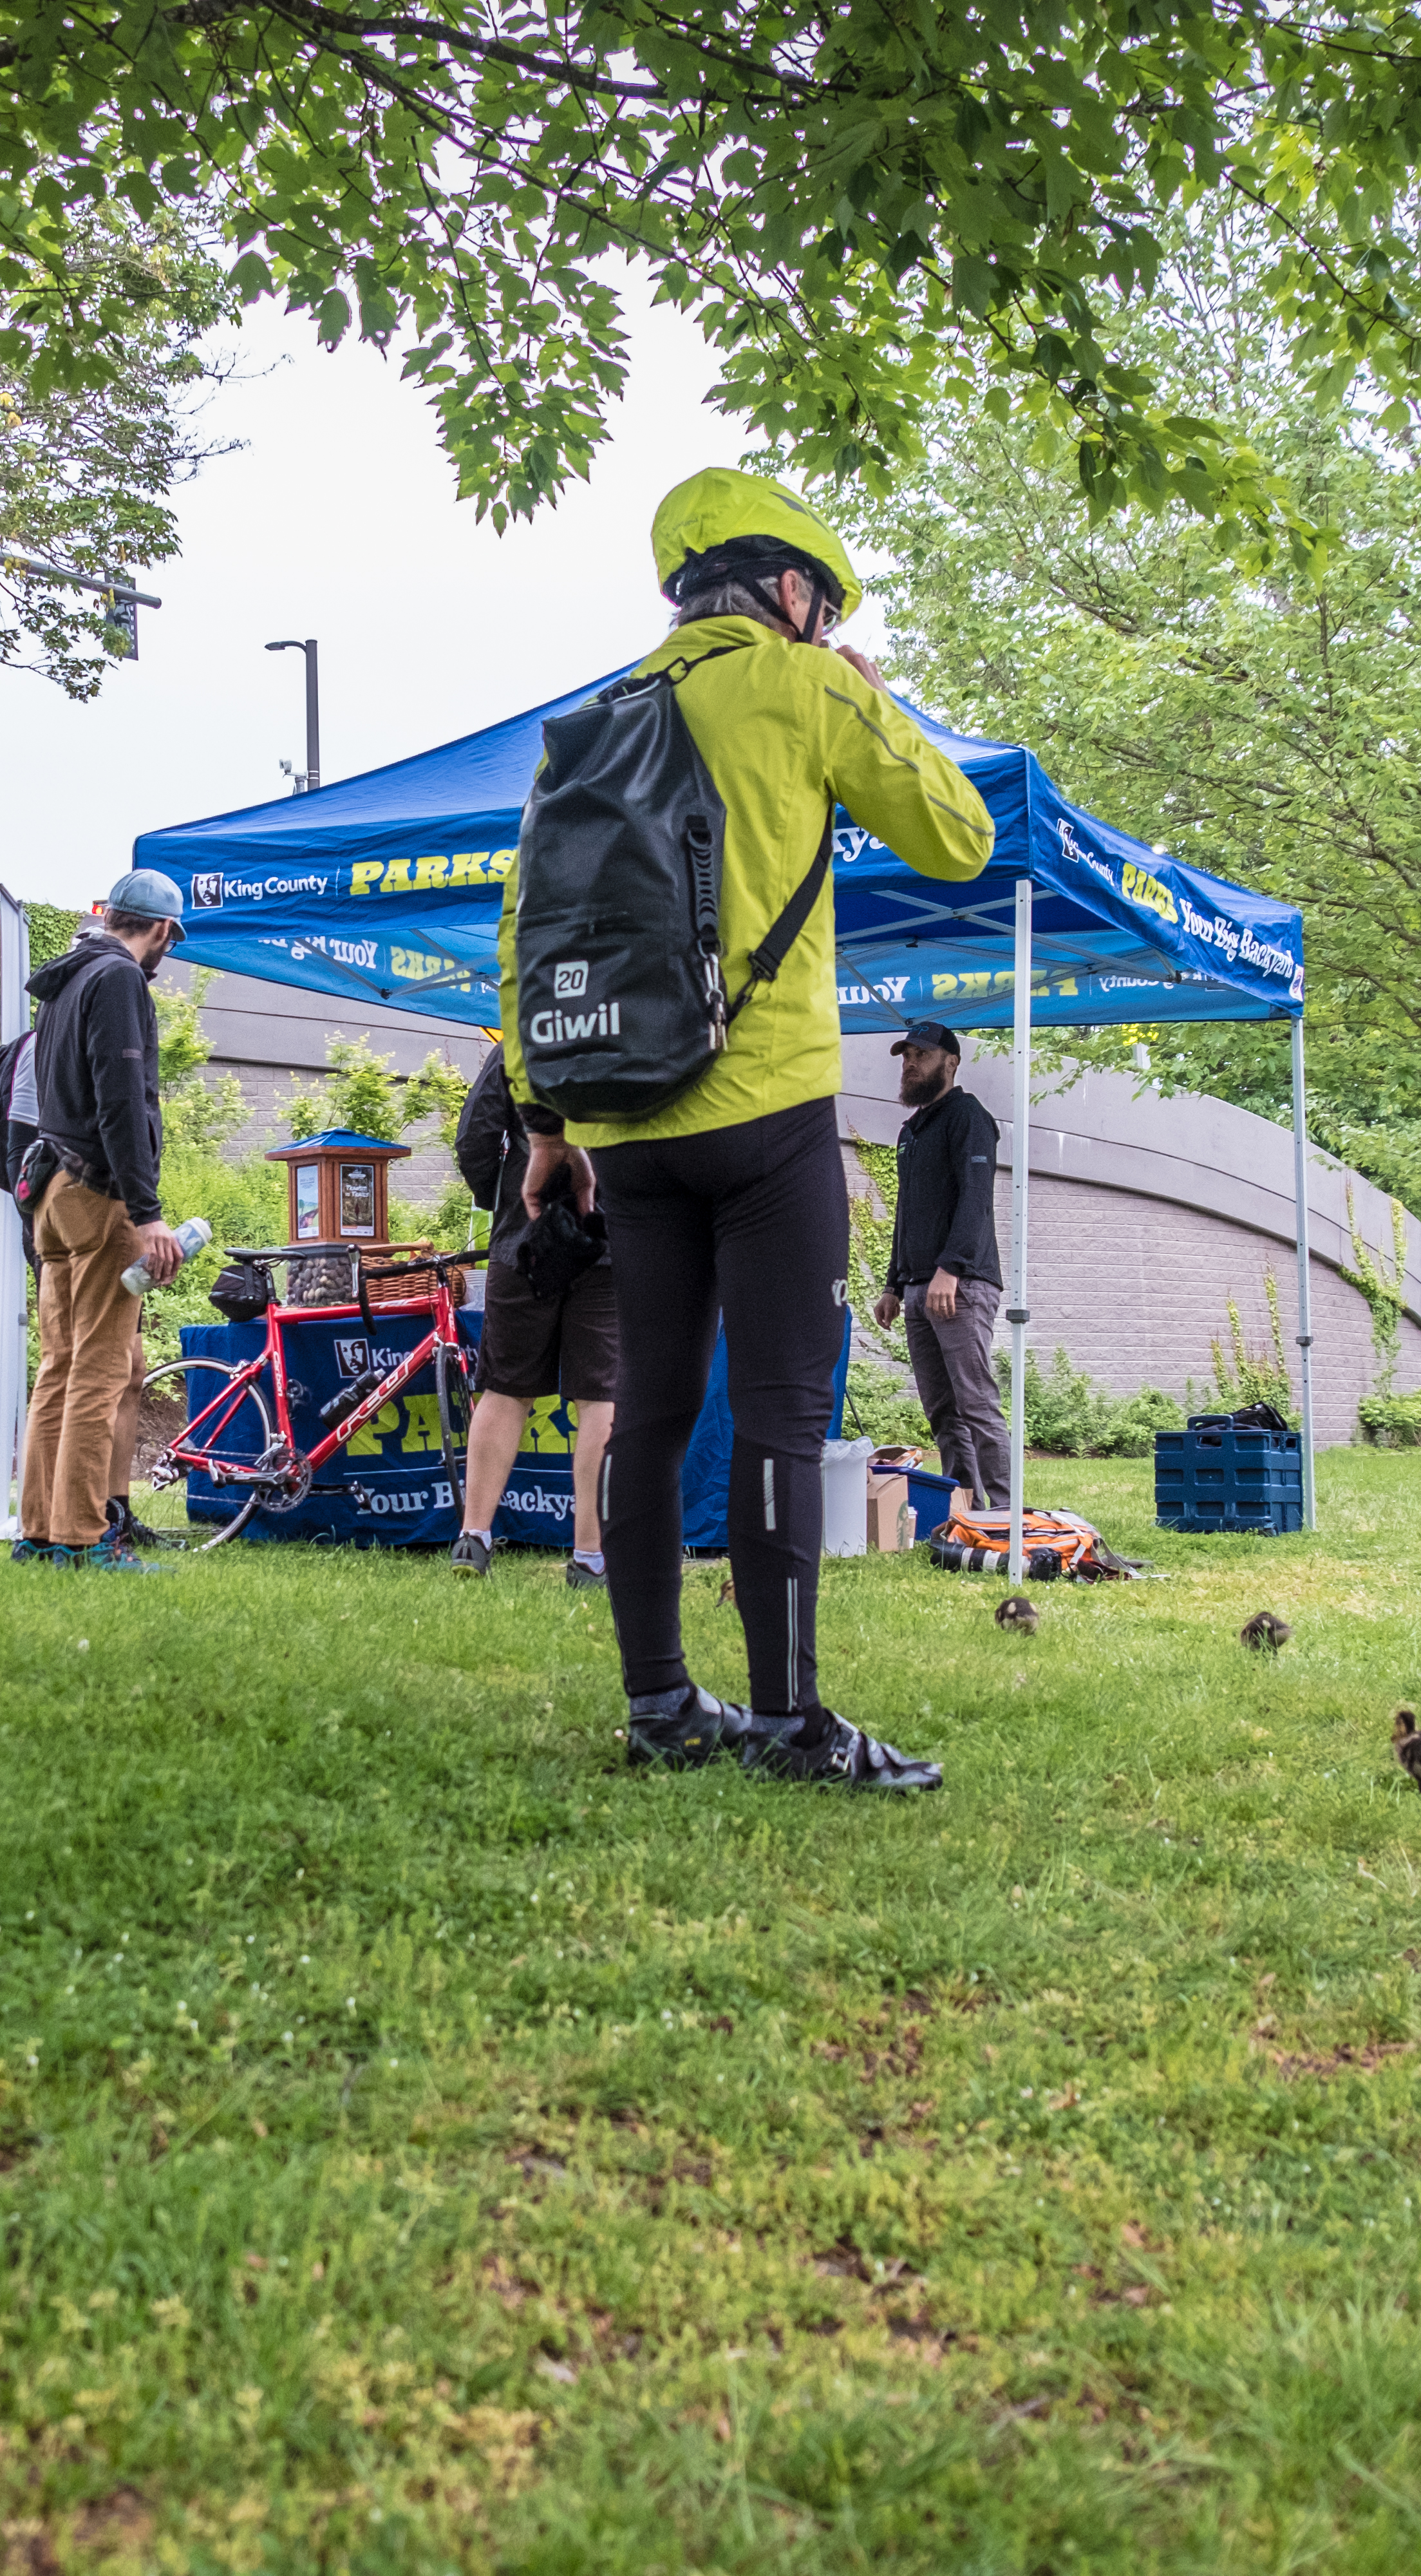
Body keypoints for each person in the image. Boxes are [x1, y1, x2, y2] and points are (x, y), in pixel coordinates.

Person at [503, 467, 997, 1790]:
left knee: (650, 1410)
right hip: (765, 1108)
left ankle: (661, 1702)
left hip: (625, 1128)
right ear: (792, 591)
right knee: (781, 1409)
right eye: (822, 607)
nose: (825, 625)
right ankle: (790, 1722)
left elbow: (527, 935)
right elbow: (960, 836)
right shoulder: (807, 682)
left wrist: (547, 1125)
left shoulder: (592, 725)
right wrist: (871, 702)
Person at [16, 871, 187, 1567]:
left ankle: (40, 1533)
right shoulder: (117, 979)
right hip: (98, 1196)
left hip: (52, 1193)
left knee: (58, 1366)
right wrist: (146, 1215)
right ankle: (85, 1539)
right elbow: (121, 1098)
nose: (165, 954)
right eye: (169, 941)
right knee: (101, 1371)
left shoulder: (65, 980)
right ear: (160, 931)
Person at [448, 1037, 617, 1584]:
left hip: (524, 1238)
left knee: (505, 1389)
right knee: (602, 1397)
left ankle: (473, 1537)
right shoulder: (637, 1022)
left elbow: (474, 1136)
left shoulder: (525, 1032)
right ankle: (590, 1558)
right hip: (610, 1236)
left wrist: (504, 1201)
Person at [875, 1018, 1005, 1510]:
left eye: (922, 1056)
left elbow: (976, 1199)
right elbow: (908, 1212)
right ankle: (966, 1511)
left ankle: (1006, 1516)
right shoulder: (911, 1132)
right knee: (943, 1413)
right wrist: (893, 1283)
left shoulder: (968, 1117)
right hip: (916, 1290)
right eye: (907, 1057)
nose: (911, 1065)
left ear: (950, 1063)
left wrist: (951, 1269)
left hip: (961, 1285)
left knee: (976, 1405)